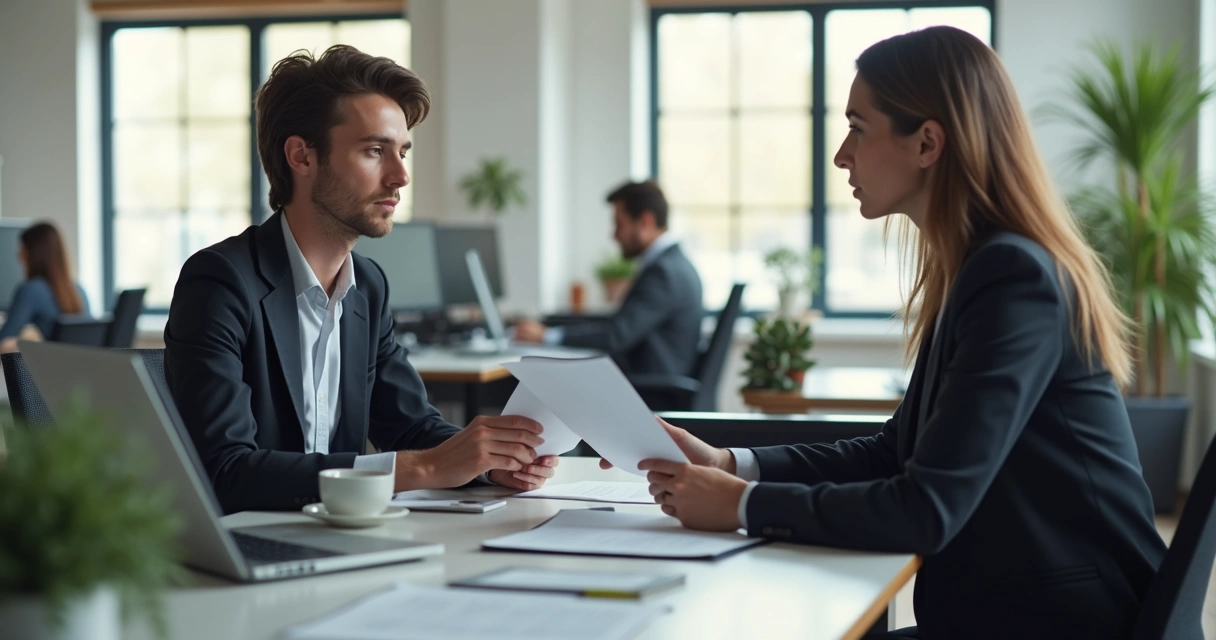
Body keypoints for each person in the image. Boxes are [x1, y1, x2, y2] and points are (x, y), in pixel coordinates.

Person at [633, 27, 1166, 639]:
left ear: (928, 142)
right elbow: (896, 452)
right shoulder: (978, 267)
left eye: (858, 127)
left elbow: (925, 510)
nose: (841, 155)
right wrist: (733, 463)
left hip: (1069, 623)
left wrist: (738, 507)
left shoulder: (1011, 275)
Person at [164, 45, 557, 515]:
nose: (400, 176)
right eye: (375, 151)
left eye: (402, 152)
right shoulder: (221, 282)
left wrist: (491, 463)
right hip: (254, 548)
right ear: (302, 157)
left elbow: (411, 429)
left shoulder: (367, 287)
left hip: (345, 539)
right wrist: (424, 470)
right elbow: (227, 472)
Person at [513, 180, 703, 379]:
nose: (614, 235)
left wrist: (547, 336)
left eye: (619, 224)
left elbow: (616, 335)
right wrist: (552, 326)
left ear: (646, 222)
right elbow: (620, 325)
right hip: (646, 382)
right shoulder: (673, 265)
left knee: (537, 380)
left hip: (649, 391)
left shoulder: (664, 273)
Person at [0, 222, 90, 353]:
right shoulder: (79, 290)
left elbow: (3, 339)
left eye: (23, 249)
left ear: (33, 253)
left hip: (51, 370)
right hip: (78, 369)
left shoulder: (30, 290)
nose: (18, 255)